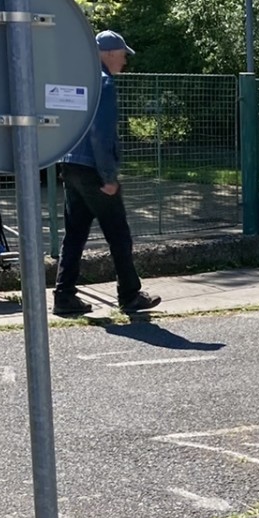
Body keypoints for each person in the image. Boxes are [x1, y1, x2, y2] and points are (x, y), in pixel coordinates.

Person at [52, 30, 159, 319]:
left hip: (70, 164)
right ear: (109, 53)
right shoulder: (104, 84)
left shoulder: (78, 81)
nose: (125, 61)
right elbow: (101, 134)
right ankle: (129, 295)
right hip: (93, 168)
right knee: (118, 233)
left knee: (74, 234)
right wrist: (109, 177)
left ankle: (64, 296)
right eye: (122, 55)